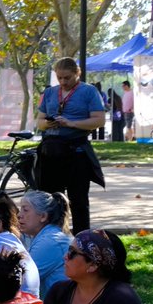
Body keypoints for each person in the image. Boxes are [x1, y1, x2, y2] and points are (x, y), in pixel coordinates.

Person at [35, 57, 105, 234]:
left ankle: (82, 238)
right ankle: (52, 238)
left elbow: (99, 120)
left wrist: (71, 123)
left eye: (67, 78)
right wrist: (47, 124)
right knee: (50, 200)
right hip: (51, 152)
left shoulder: (88, 91)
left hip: (76, 152)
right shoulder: (50, 92)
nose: (63, 82)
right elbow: (39, 121)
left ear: (77, 73)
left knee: (79, 200)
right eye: (59, 78)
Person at [18, 191, 73, 298]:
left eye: (25, 210)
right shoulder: (44, 235)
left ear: (43, 216)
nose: (19, 215)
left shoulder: (50, 241)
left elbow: (21, 279)